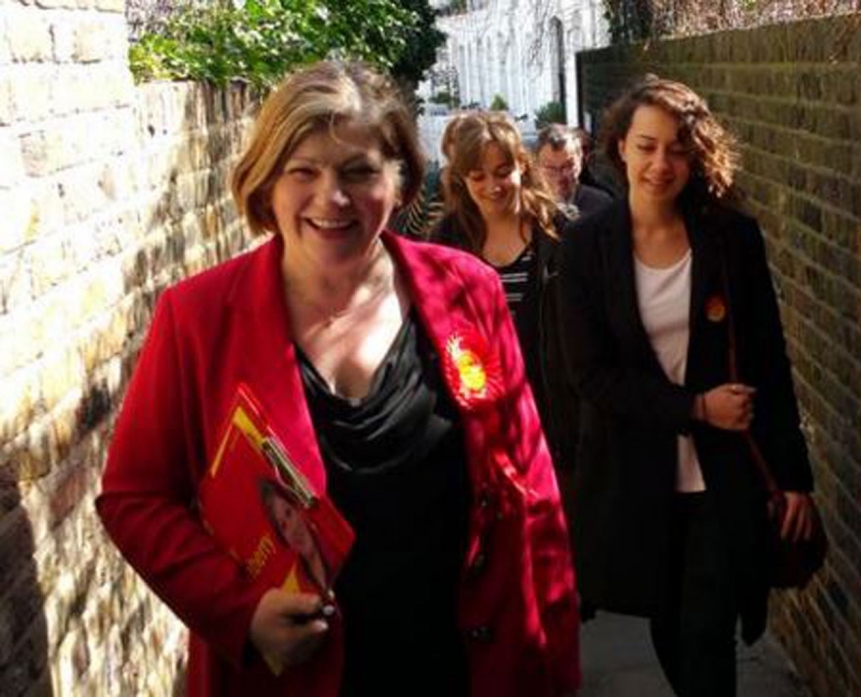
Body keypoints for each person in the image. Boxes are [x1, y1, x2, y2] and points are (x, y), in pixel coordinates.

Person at [96, 61, 579, 697]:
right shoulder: (197, 317)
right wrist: (239, 612)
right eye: (305, 172)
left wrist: (555, 654)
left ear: (402, 180)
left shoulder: (467, 290)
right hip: (296, 672)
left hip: (465, 661)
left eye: (358, 171)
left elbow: (531, 484)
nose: (333, 197)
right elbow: (136, 497)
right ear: (267, 184)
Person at [558, 75, 817, 697]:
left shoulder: (730, 239)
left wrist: (794, 478)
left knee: (708, 630)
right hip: (638, 475)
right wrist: (694, 406)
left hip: (723, 475)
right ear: (618, 147)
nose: (660, 164)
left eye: (677, 149)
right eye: (646, 146)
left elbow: (768, 362)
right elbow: (590, 374)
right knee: (672, 626)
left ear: (696, 156)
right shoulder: (584, 246)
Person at [431, 112, 579, 517]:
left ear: (522, 166)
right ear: (462, 179)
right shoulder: (446, 241)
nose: (492, 186)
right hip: (483, 419)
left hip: (555, 412)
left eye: (502, 171)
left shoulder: (561, 229)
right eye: (477, 176)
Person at [260, 479, 330, 594]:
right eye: (283, 526)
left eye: (288, 513)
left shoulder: (335, 544)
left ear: (297, 507)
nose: (292, 528)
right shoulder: (298, 592)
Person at [535, 123, 612, 219]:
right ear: (537, 166)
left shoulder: (601, 204)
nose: (560, 176)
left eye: (568, 166)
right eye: (551, 168)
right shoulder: (529, 206)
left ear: (580, 160)